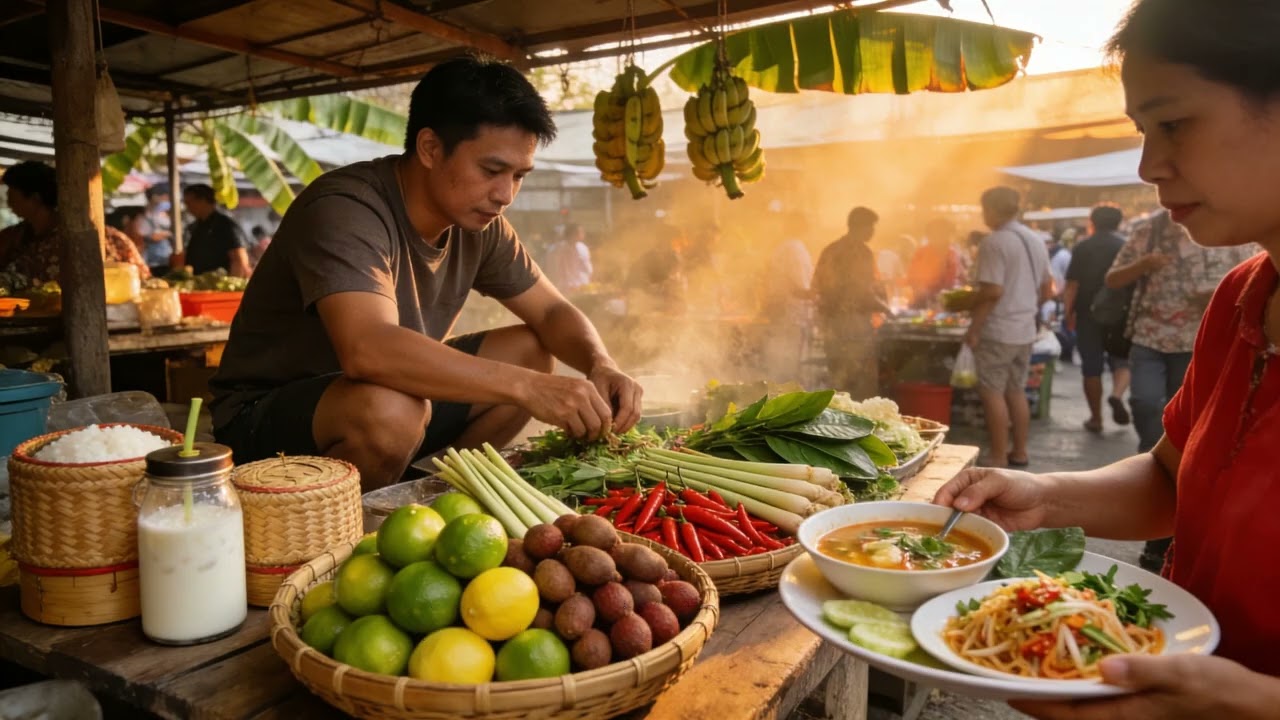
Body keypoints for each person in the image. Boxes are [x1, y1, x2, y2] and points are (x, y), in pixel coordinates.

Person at [935, 3, 1280, 717]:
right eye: (1143, 132)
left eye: (1174, 123)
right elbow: (1170, 478)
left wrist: (1250, 705)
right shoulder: (1241, 298)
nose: (1150, 165)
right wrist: (1048, 497)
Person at [210, 56, 643, 491]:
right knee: (393, 409)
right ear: (431, 149)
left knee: (530, 348)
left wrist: (600, 364)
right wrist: (528, 388)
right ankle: (354, 531)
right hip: (264, 422)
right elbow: (368, 350)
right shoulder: (345, 208)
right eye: (492, 171)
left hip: (391, 405)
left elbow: (551, 312)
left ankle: (432, 493)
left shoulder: (481, 223)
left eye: (519, 176)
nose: (505, 194)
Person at [964, 187, 1053, 468]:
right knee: (1016, 390)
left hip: (999, 330)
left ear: (991, 209)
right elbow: (1047, 289)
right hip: (1025, 330)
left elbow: (992, 291)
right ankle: (1020, 451)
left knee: (992, 392)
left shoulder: (995, 242)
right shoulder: (1034, 239)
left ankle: (999, 456)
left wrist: (974, 327)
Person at [0, 161, 149, 283]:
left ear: (35, 198)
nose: (8, 201)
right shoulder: (13, 237)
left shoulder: (107, 239)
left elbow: (144, 281)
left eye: (11, 194)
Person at [1064, 203, 1132, 433]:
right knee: (1122, 360)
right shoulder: (1126, 246)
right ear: (1119, 222)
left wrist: (1067, 313)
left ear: (1092, 221)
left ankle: (1096, 418)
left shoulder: (1083, 247)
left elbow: (1072, 284)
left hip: (1087, 313)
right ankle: (1116, 395)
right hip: (1121, 314)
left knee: (1091, 367)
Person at [812, 206, 892, 400]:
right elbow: (863, 291)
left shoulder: (830, 249)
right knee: (858, 377)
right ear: (861, 226)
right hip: (854, 324)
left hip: (831, 324)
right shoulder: (862, 252)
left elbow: (817, 285)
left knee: (837, 376)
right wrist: (886, 308)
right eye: (871, 226)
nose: (873, 231)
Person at [172, 184, 252, 277]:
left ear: (202, 200)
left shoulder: (225, 225)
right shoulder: (195, 226)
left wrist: (230, 285)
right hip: (199, 282)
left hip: (220, 283)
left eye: (189, 202)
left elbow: (239, 258)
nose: (188, 207)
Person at [906, 217, 963, 306]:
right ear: (930, 236)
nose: (946, 238)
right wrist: (923, 291)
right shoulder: (921, 254)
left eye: (947, 234)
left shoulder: (954, 254)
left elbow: (959, 278)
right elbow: (913, 279)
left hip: (950, 302)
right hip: (924, 303)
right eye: (940, 234)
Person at [544, 223, 593, 294]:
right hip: (565, 288)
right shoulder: (556, 249)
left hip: (583, 286)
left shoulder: (583, 248)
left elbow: (587, 267)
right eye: (580, 232)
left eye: (582, 232)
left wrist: (589, 279)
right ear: (571, 234)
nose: (583, 234)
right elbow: (552, 269)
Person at [138, 185, 173, 277]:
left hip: (165, 258)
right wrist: (167, 234)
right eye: (165, 196)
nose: (166, 199)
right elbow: (147, 235)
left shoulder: (164, 214)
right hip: (153, 260)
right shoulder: (147, 216)